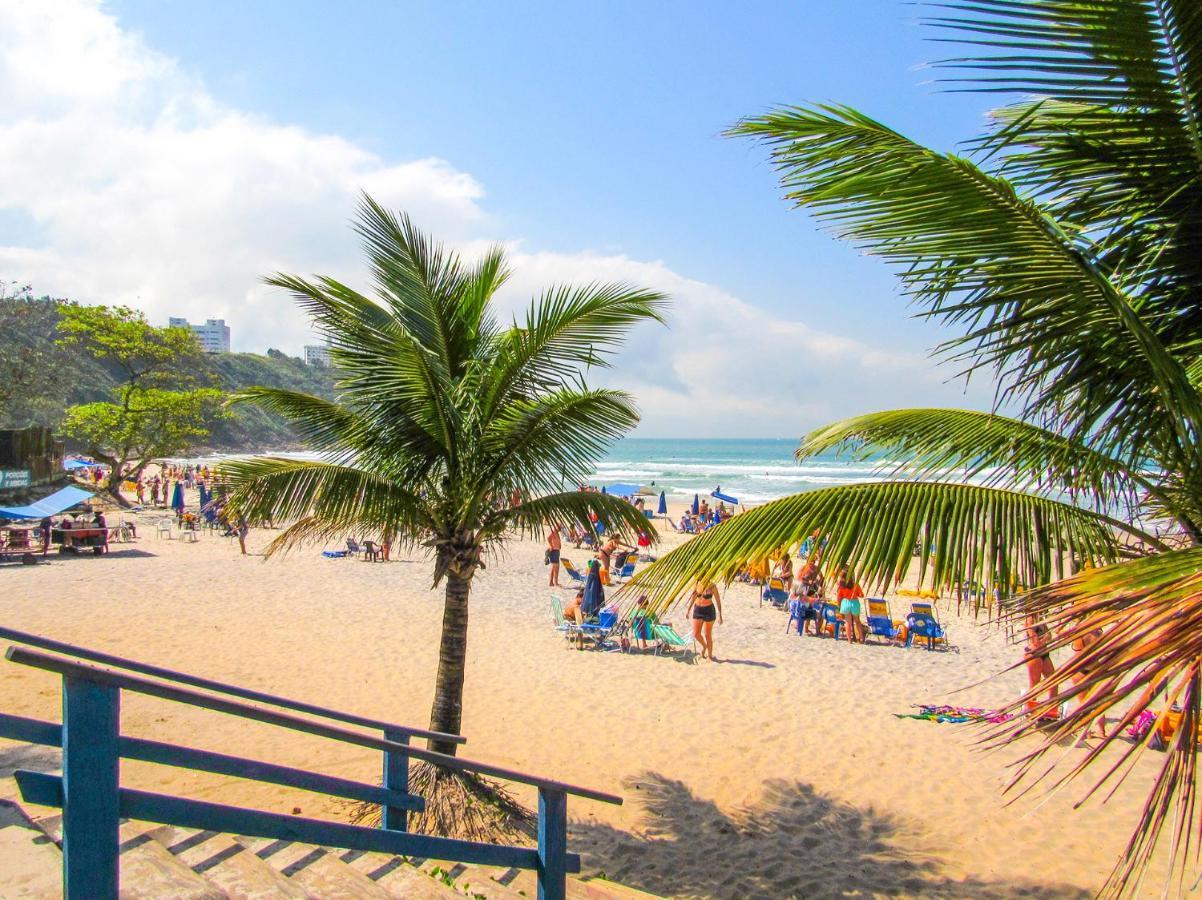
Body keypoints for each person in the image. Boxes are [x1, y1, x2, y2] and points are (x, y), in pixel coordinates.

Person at [1024, 614, 1058, 719]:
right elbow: (1035, 642)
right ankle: (1030, 710)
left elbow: (1050, 636)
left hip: (1044, 653)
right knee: (1035, 684)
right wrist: (1045, 639)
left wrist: (1045, 638)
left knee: (1053, 680)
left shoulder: (1041, 619)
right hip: (1033, 654)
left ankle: (1052, 708)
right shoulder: (1030, 620)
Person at [686, 578, 722, 660]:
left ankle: (710, 656)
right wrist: (688, 610)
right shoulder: (697, 584)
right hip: (698, 610)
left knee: (707, 634)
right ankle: (704, 646)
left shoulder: (712, 586)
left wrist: (720, 614)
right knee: (696, 634)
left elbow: (718, 600)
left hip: (709, 611)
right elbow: (693, 597)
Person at [836, 568, 865, 644]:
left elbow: (839, 597)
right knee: (857, 622)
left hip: (846, 602)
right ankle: (861, 638)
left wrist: (839, 606)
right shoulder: (855, 585)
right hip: (854, 602)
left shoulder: (841, 586)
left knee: (848, 623)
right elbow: (861, 595)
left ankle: (849, 640)